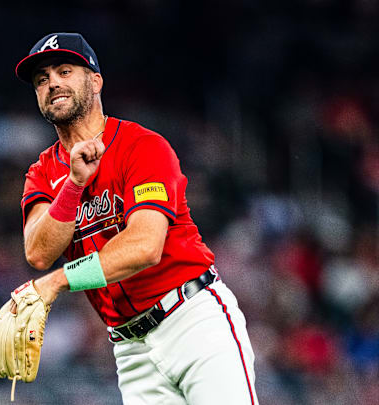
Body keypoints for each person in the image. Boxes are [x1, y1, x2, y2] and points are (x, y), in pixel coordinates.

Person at [14, 32, 259, 404]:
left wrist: (57, 283)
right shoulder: (43, 172)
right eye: (41, 79)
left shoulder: (141, 146)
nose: (53, 83)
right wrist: (74, 185)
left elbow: (145, 247)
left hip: (191, 320)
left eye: (65, 70)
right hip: (130, 350)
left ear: (95, 80)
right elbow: (38, 252)